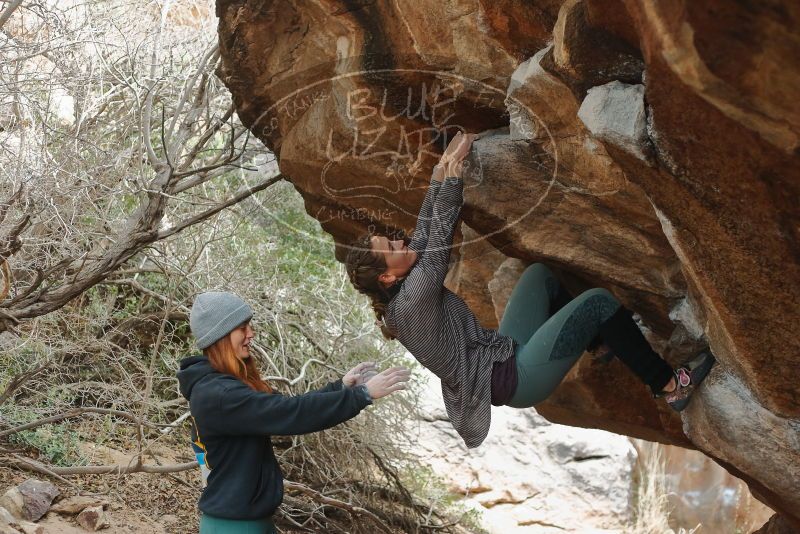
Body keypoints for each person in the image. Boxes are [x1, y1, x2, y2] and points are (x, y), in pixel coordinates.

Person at [345, 131, 715, 448]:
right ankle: (670, 386)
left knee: (540, 276)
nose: (399, 242)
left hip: (501, 353)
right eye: (390, 249)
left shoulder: (405, 285)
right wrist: (452, 175)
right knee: (599, 303)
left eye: (391, 241)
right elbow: (438, 235)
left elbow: (424, 231)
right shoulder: (410, 303)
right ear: (386, 279)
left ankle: (601, 343)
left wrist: (441, 169)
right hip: (516, 379)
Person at [177, 291, 410, 533]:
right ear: (221, 335)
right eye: (243, 327)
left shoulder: (218, 388)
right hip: (236, 526)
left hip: (243, 522)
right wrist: (361, 396)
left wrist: (341, 387)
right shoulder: (220, 395)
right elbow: (291, 413)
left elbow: (286, 406)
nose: (251, 334)